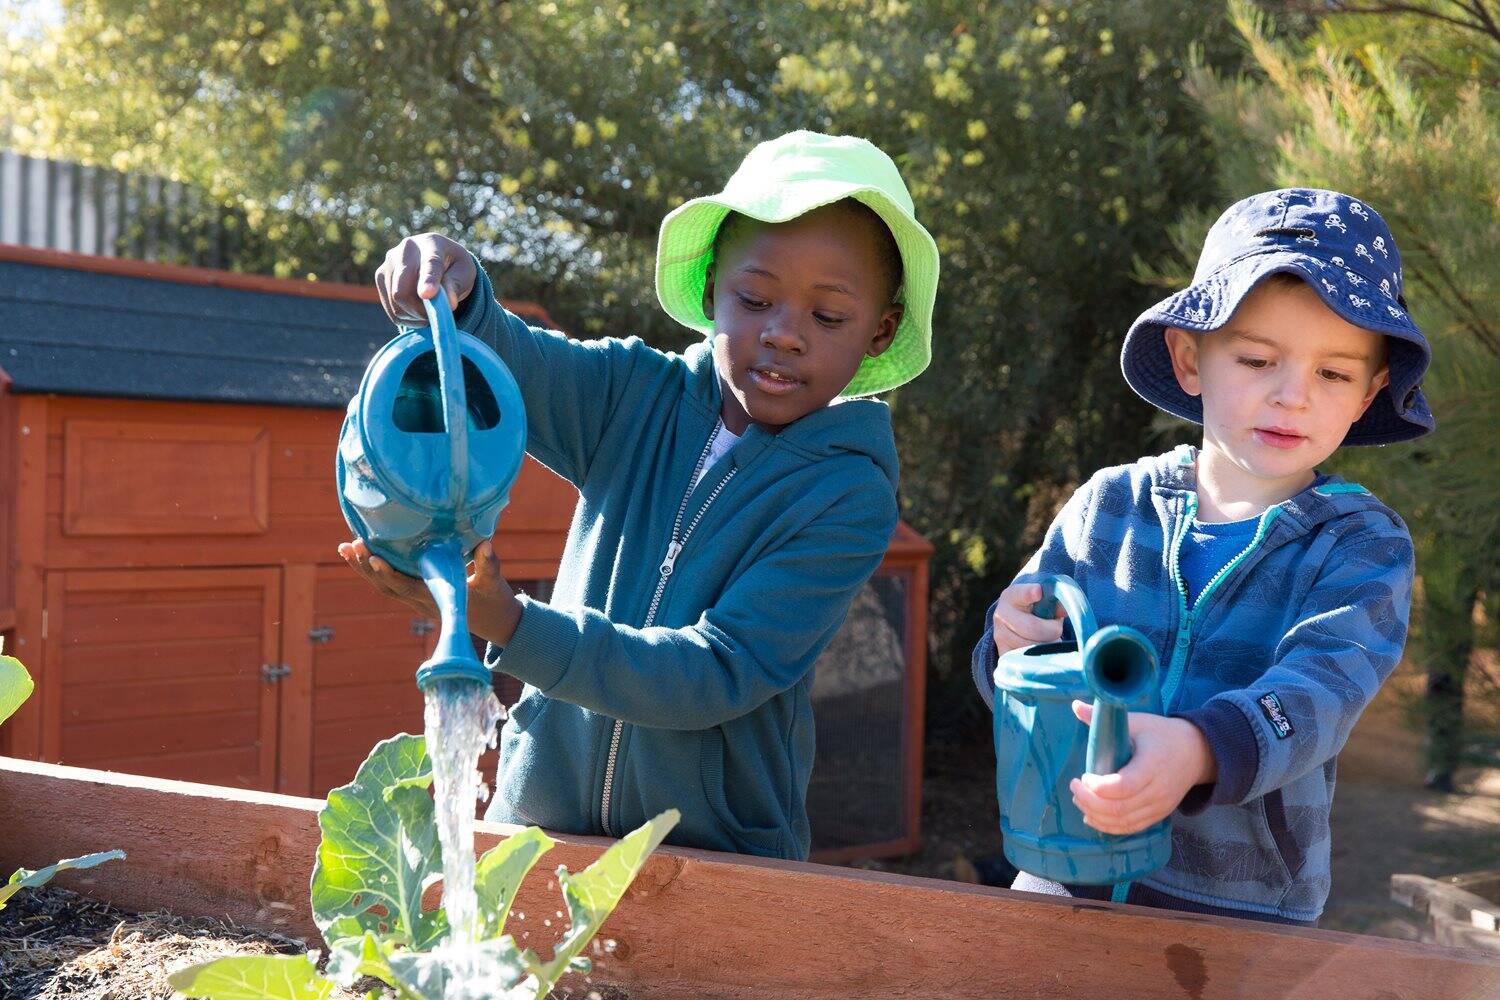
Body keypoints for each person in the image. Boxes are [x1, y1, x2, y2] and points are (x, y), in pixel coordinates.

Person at [340, 130, 940, 861]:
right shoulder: (634, 395)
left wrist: (515, 625)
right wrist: (457, 295)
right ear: (714, 287)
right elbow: (514, 361)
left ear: (879, 332)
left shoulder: (846, 495)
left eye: (828, 317)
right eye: (754, 298)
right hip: (537, 830)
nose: (783, 334)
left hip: (715, 864)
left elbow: (717, 672)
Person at [973, 188, 1433, 925]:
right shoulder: (1108, 505)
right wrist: (1009, 642)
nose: (1293, 396)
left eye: (1334, 374)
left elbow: (1319, 694)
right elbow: (1025, 674)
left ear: (1371, 391)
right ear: (1191, 359)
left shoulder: (1360, 544)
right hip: (1062, 875)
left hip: (1241, 915)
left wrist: (1198, 748)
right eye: (1257, 359)